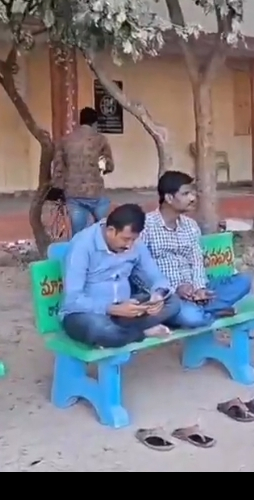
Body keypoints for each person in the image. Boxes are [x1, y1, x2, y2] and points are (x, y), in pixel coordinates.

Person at [140, 171, 252, 328]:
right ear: (169, 198)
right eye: (186, 194)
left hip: (194, 291)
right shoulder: (146, 226)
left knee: (244, 280)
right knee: (192, 318)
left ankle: (203, 311)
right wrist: (174, 289)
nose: (192, 198)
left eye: (192, 193)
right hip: (167, 297)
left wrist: (199, 288)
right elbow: (141, 270)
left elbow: (197, 261)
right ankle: (211, 311)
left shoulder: (190, 225)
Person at [60, 203, 181, 348]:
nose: (129, 245)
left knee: (173, 302)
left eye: (133, 240)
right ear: (111, 231)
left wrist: (158, 295)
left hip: (125, 312)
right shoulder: (83, 245)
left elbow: (156, 276)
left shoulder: (135, 243)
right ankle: (142, 333)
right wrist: (112, 309)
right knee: (99, 328)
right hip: (87, 314)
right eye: (125, 239)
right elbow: (73, 299)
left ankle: (121, 334)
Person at [51, 107, 115, 235]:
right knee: (103, 231)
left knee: (78, 234)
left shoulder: (65, 140)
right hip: (96, 193)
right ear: (95, 123)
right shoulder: (100, 140)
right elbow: (109, 166)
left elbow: (58, 168)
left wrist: (58, 190)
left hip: (73, 194)